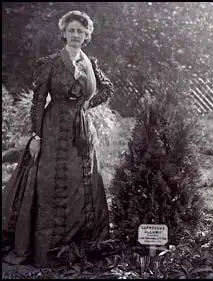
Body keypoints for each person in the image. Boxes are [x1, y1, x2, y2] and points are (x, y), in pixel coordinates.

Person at [2, 10, 114, 267]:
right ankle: (48, 249)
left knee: (81, 180)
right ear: (63, 33)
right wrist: (36, 136)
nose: (76, 35)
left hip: (82, 131)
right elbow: (38, 101)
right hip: (53, 130)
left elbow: (107, 88)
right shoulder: (50, 63)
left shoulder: (90, 63)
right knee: (50, 183)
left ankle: (81, 245)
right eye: (72, 30)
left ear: (87, 35)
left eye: (81, 31)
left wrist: (85, 105)